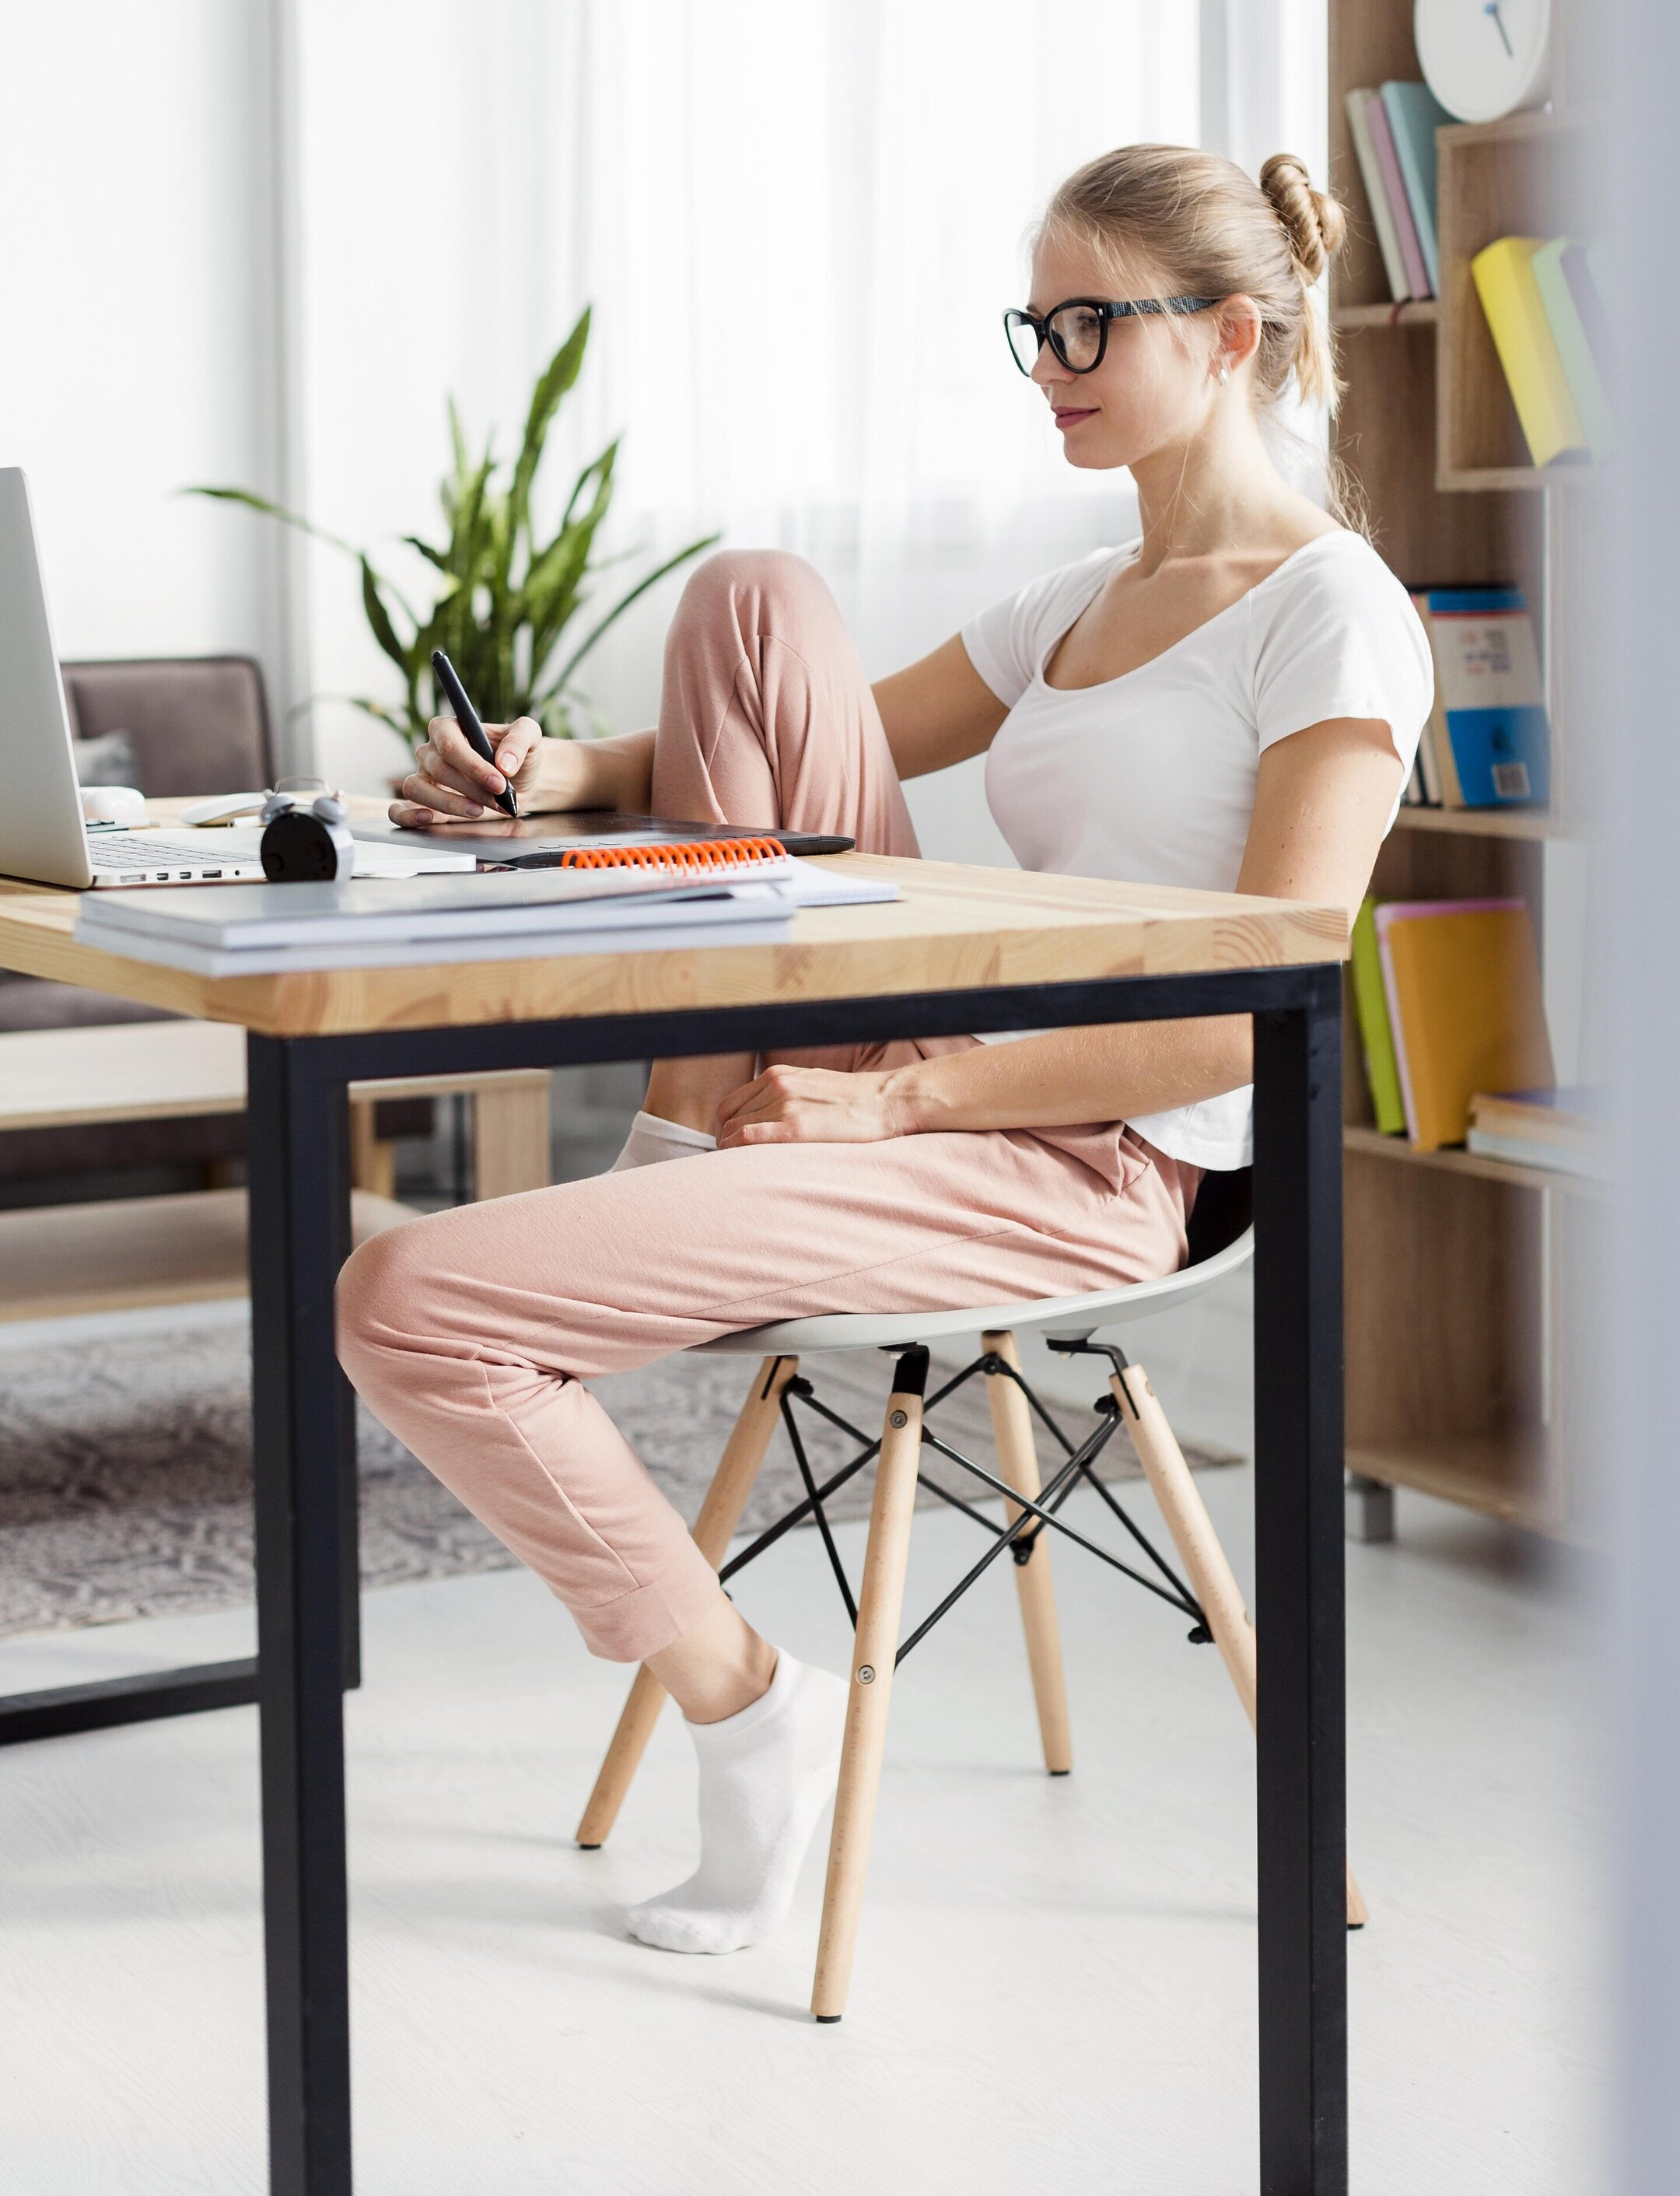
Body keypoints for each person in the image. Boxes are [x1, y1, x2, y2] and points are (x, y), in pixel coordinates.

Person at [337, 143, 1433, 1960]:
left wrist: (896, 1094)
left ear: (1233, 335)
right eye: (1038, 323)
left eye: (1093, 321)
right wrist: (556, 775)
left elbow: (1264, 993)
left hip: (1110, 1156)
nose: (1052, 360)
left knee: (406, 1300)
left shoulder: (1334, 614)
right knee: (756, 597)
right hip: (944, 1055)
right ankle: (692, 1114)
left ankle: (746, 1703)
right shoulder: (1073, 602)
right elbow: (790, 736)